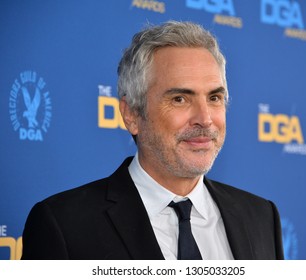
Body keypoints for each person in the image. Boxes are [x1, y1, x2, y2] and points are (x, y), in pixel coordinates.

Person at [21, 21, 284, 260]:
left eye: (214, 98)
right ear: (132, 114)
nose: (205, 119)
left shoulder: (261, 217)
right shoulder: (64, 226)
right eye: (180, 99)